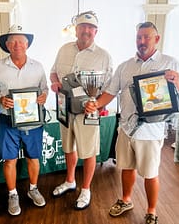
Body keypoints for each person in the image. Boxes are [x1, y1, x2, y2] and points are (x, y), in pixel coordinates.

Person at [85, 22, 179, 224]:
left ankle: (151, 210)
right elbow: (110, 92)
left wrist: (176, 81)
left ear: (156, 39)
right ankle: (126, 200)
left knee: (151, 174)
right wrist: (96, 105)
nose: (142, 42)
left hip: (151, 131)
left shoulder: (169, 63)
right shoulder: (125, 66)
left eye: (146, 37)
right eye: (139, 37)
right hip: (126, 128)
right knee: (126, 168)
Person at [50, 11, 113, 210]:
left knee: (88, 151)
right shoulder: (64, 49)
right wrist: (54, 83)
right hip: (64, 107)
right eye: (82, 27)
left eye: (90, 28)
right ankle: (70, 181)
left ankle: (86, 189)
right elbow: (53, 72)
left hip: (89, 110)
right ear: (76, 30)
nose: (85, 31)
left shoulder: (104, 56)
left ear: (96, 31)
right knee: (68, 147)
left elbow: (110, 89)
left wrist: (98, 104)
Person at [0, 25, 48, 216]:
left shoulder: (38, 66)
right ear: (7, 45)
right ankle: (13, 194)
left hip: (33, 120)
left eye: (21, 41)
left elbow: (44, 88)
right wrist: (0, 98)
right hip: (7, 119)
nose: (17, 45)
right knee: (10, 160)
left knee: (33, 157)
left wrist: (43, 96)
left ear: (27, 44)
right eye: (13, 41)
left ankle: (33, 189)